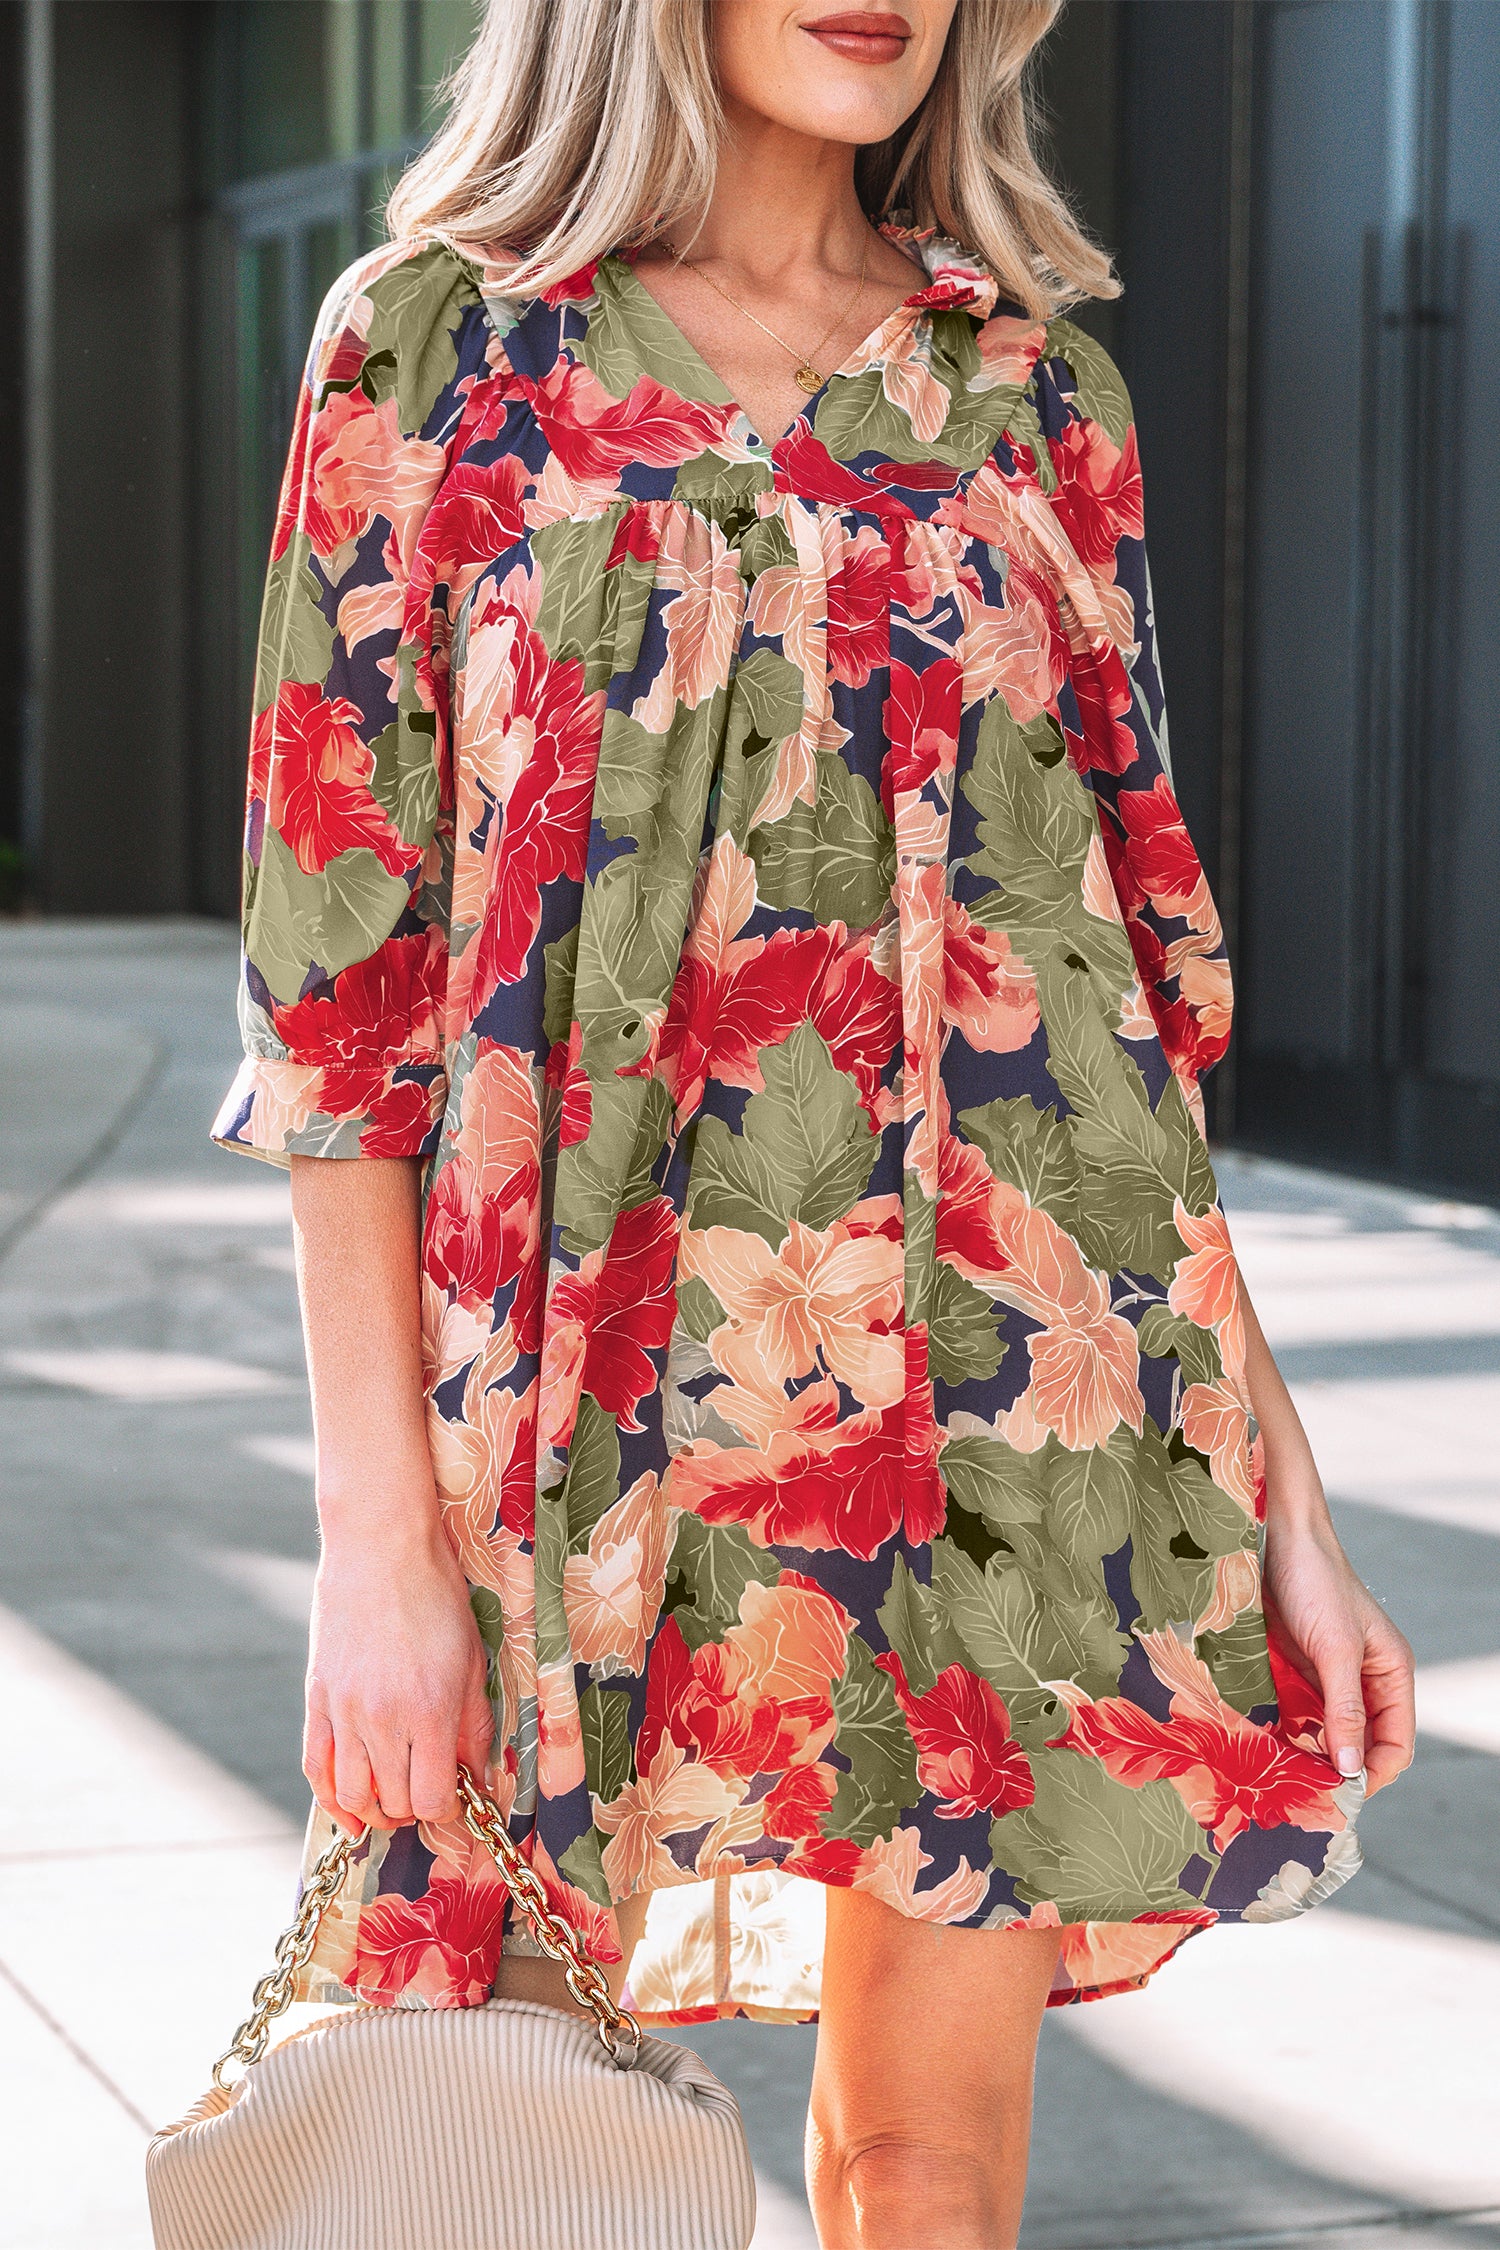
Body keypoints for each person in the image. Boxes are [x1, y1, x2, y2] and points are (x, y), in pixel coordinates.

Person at [212, 3, 1416, 2243]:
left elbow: (1109, 1026)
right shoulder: (434, 355)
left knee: (924, 2177)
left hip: (996, 1425)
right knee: (495, 2155)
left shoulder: (1034, 397)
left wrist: (1288, 1492)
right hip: (575, 1400)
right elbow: (335, 999)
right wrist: (379, 1544)